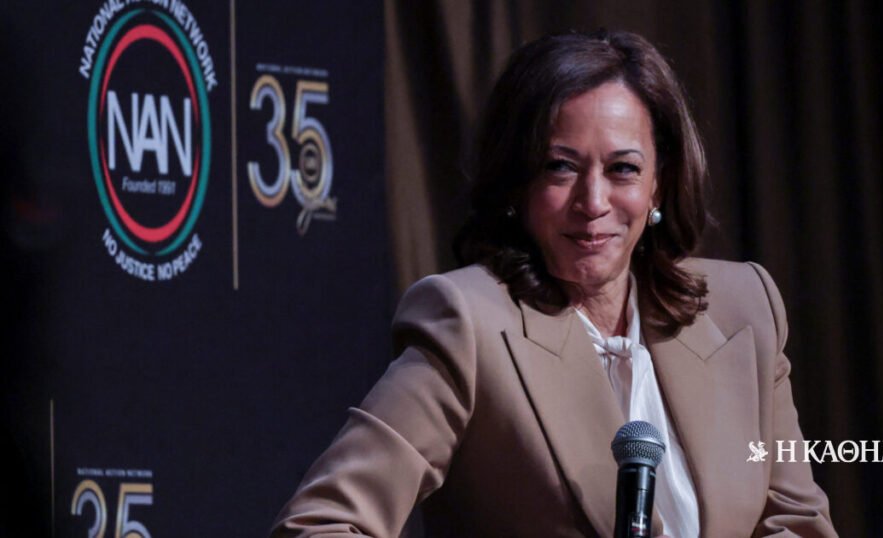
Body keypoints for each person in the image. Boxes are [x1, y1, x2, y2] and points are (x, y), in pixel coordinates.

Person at [272, 29, 837, 537]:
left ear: (658, 185)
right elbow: (319, 524)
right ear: (517, 181)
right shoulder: (469, 325)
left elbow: (797, 524)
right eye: (560, 167)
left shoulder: (744, 308)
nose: (593, 202)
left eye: (623, 169)